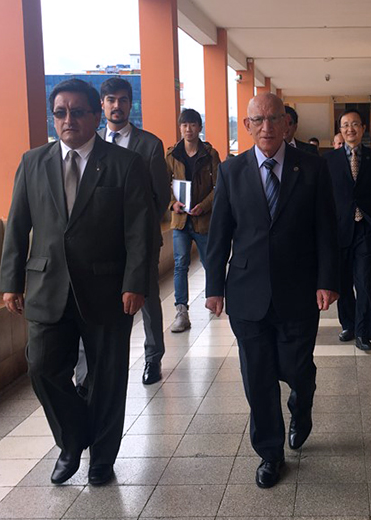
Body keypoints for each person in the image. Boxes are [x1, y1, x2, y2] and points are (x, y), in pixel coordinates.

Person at [0, 79, 151, 487]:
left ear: (96, 115)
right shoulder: (33, 162)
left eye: (78, 111)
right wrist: (10, 281)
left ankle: (102, 458)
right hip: (48, 288)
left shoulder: (123, 164)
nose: (69, 120)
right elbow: (17, 225)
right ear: (54, 117)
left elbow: (141, 230)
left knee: (106, 377)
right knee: (42, 367)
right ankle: (72, 440)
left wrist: (135, 282)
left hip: (108, 290)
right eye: (61, 112)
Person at [205, 93, 338, 489]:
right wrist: (214, 287)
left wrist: (327, 280)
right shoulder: (232, 171)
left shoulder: (312, 167)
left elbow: (326, 229)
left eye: (273, 119)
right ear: (246, 126)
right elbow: (220, 233)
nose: (266, 127)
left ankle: (302, 404)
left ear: (286, 124)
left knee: (296, 368)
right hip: (247, 292)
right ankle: (270, 452)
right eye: (257, 120)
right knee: (257, 376)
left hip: (299, 290)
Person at [73, 77, 170, 390]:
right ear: (102, 105)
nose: (117, 106)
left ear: (131, 104)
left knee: (148, 294)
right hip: (98, 246)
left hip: (138, 239)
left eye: (124, 100)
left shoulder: (150, 145)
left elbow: (159, 198)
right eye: (111, 99)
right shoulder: (91, 142)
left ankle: (153, 355)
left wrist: (138, 233)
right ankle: (88, 368)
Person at [325, 109, 371, 351]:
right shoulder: (328, 161)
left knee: (364, 282)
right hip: (339, 229)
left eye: (354, 124)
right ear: (340, 130)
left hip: (365, 228)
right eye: (344, 125)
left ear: (363, 128)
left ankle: (363, 333)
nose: (349, 129)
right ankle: (348, 325)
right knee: (342, 283)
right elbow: (323, 199)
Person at [165, 108, 221, 334]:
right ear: (180, 128)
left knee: (210, 262)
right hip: (180, 220)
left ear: (200, 127)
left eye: (192, 125)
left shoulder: (210, 154)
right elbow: (163, 185)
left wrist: (204, 206)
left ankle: (214, 298)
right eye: (184, 125)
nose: (188, 129)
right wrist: (172, 204)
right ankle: (181, 311)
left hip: (203, 219)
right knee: (180, 264)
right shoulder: (171, 155)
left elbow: (219, 186)